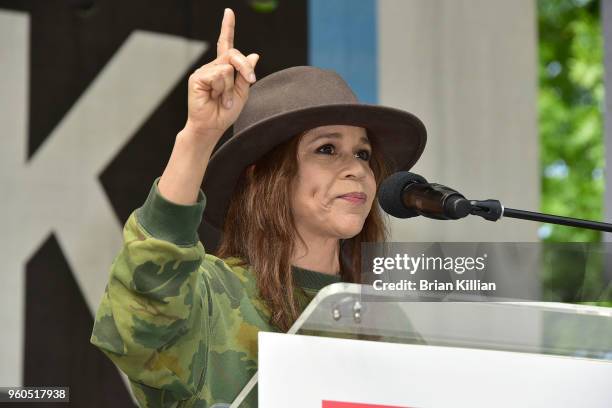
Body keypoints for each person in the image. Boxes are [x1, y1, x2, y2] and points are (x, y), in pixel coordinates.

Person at [90, 8, 426, 408]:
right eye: (327, 149)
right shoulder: (213, 294)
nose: (356, 169)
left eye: (364, 153)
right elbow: (139, 316)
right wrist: (199, 135)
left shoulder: (380, 320)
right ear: (261, 177)